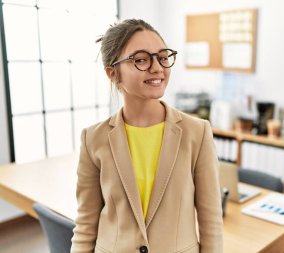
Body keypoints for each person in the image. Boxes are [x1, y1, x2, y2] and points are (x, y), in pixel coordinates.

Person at [70, 19, 223, 253]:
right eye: (141, 59)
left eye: (163, 57)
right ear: (113, 73)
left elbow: (211, 223)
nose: (157, 68)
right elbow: (85, 226)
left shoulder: (197, 133)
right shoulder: (93, 139)